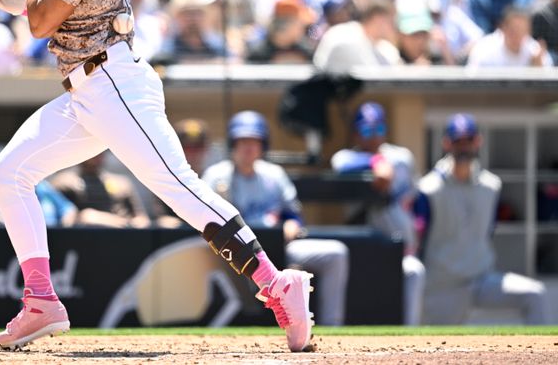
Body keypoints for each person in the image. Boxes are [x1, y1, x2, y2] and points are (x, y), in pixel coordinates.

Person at [0, 0, 314, 352]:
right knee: (6, 176)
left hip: (114, 84)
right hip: (87, 90)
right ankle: (41, 300)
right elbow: (35, 4)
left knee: (180, 188)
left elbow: (37, 23)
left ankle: (276, 283)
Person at [203, 111, 349, 327]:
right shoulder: (216, 176)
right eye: (242, 141)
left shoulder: (274, 175)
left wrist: (293, 224)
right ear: (233, 144)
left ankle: (332, 325)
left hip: (276, 247)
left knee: (336, 253)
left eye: (254, 141)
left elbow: (293, 214)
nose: (248, 147)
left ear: (263, 145)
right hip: (230, 253)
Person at [414, 113, 551, 325]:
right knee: (439, 351)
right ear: (447, 143)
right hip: (443, 284)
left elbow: (488, 231)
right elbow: (418, 238)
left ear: (478, 141)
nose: (463, 146)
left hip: (482, 279)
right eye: (457, 140)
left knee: (534, 294)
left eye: (468, 140)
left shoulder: (491, 186)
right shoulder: (428, 188)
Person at [330, 102, 426, 326]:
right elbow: (339, 164)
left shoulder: (401, 158)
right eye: (367, 130)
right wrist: (375, 162)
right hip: (365, 248)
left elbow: (418, 199)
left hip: (401, 247)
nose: (373, 137)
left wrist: (417, 230)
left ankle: (411, 333)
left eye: (379, 130)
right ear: (356, 133)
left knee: (415, 272)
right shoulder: (346, 157)